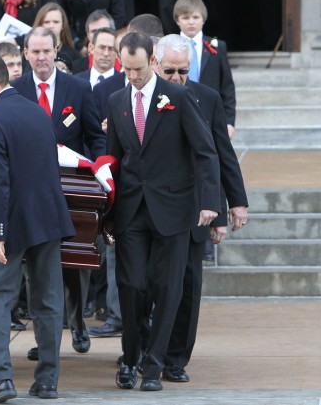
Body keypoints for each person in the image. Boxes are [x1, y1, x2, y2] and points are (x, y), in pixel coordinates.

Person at [107, 31, 220, 392]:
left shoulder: (180, 97)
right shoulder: (116, 100)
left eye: (138, 68)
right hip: (131, 210)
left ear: (152, 61)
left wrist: (209, 202)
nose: (133, 75)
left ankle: (153, 366)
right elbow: (112, 161)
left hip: (174, 207)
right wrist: (106, 215)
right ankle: (130, 358)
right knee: (132, 285)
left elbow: (206, 151)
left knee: (168, 288)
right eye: (126, 69)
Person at [0, 53, 74, 403]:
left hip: (9, 221)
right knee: (48, 301)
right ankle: (47, 381)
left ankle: (1, 382)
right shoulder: (37, 112)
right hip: (47, 218)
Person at [154, 34, 248, 383]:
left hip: (194, 209)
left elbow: (221, 153)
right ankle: (147, 350)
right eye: (170, 72)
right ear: (155, 65)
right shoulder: (142, 99)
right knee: (150, 284)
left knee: (189, 286)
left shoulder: (206, 98)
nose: (177, 78)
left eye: (183, 71)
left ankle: (175, 358)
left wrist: (233, 203)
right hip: (152, 207)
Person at [12, 27, 106, 357]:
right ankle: (45, 338)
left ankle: (78, 320)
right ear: (26, 54)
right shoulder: (15, 90)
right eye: (34, 52)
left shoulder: (78, 89)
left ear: (56, 52)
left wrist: (99, 167)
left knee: (74, 263)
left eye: (46, 51)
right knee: (34, 267)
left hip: (72, 192)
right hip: (29, 193)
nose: (40, 57)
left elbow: (96, 136)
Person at [173, 0, 236, 138]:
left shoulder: (217, 46)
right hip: (177, 112)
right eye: (185, 17)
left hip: (211, 115)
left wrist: (229, 121)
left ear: (203, 19)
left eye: (195, 17)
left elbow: (227, 86)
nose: (191, 22)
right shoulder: (169, 45)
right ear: (177, 20)